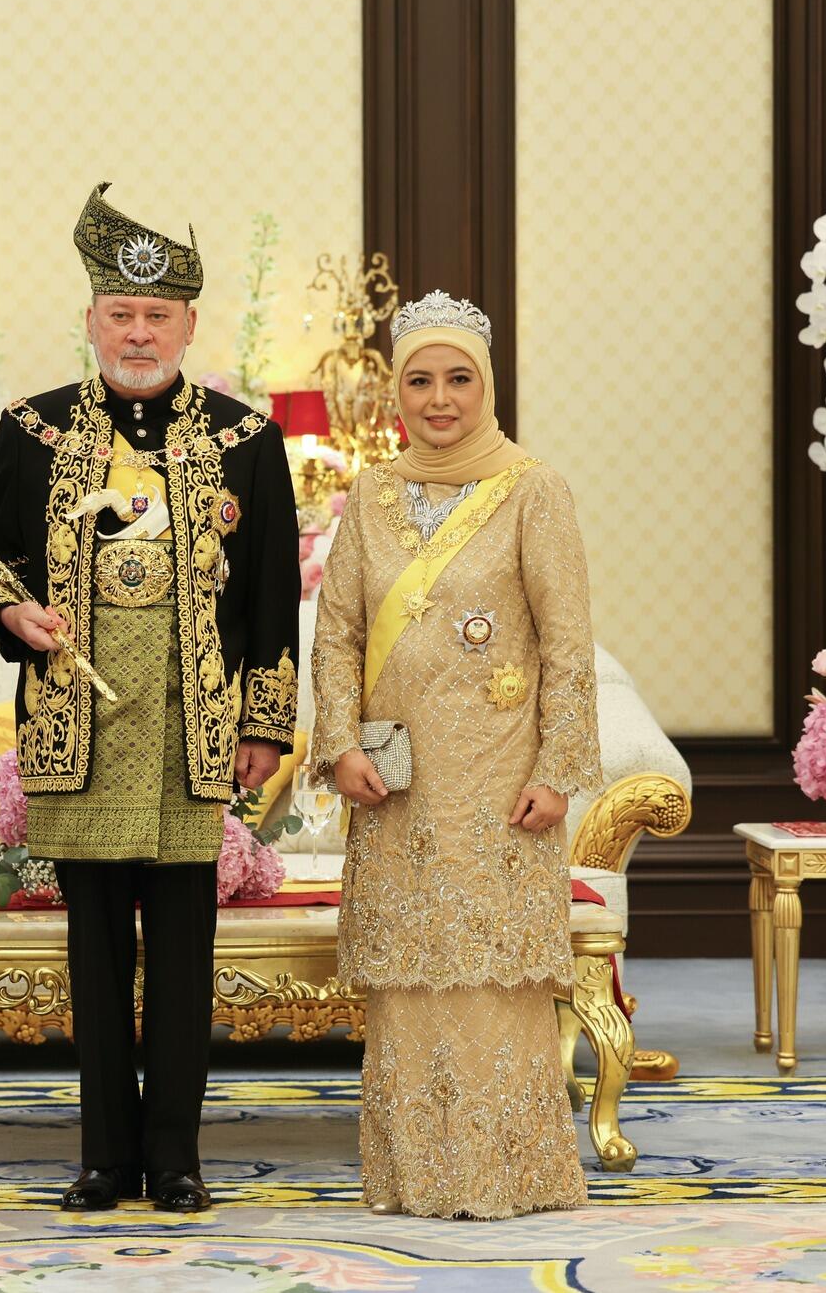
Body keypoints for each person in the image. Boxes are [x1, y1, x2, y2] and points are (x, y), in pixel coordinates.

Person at [0, 184, 299, 1214]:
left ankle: (178, 1158)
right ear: (91, 321)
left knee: (186, 959)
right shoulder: (32, 431)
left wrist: (262, 724)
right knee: (97, 956)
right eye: (121, 313)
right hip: (78, 736)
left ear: (189, 326)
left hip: (192, 739)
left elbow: (272, 595)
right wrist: (11, 613)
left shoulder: (247, 439)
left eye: (158, 316)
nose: (139, 331)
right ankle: (105, 1156)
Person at [310, 289, 596, 1219]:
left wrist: (558, 771)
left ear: (487, 385)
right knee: (409, 978)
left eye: (457, 379)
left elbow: (566, 643)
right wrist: (340, 742)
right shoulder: (373, 492)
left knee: (488, 976)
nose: (439, 399)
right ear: (398, 392)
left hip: (500, 775)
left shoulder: (533, 489)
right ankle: (417, 1177)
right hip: (394, 780)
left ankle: (505, 1178)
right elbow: (339, 633)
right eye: (420, 380)